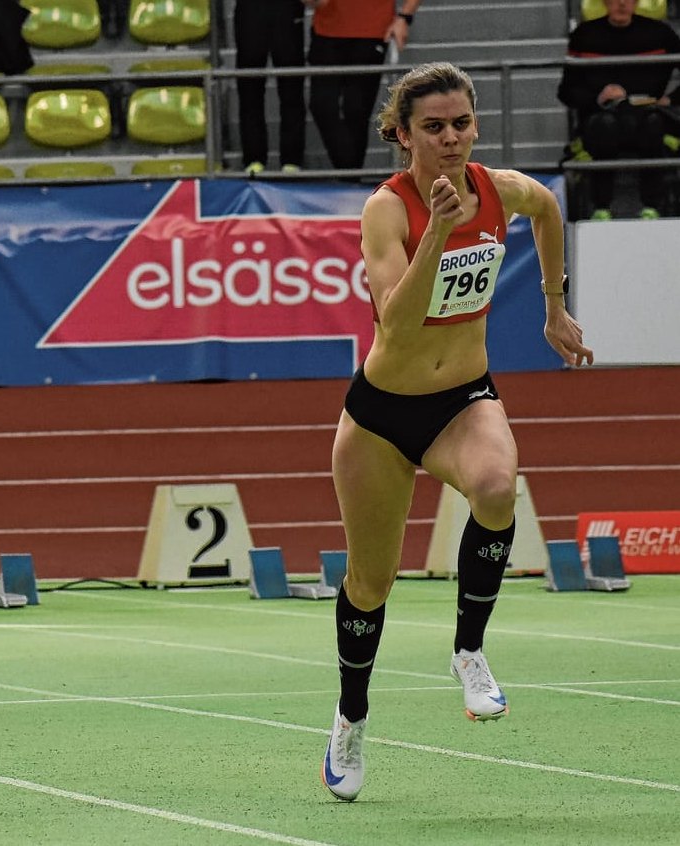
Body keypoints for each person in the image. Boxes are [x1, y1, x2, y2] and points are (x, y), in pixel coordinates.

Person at [322, 62, 593, 802]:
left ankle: (468, 650)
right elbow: (395, 323)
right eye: (433, 127)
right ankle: (350, 717)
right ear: (402, 134)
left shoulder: (498, 189)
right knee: (369, 582)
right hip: (381, 415)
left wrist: (553, 306)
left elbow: (546, 208)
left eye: (461, 124)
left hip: (462, 400)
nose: (450, 138)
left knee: (497, 487)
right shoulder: (386, 210)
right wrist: (437, 232)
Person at [557, 0, 680, 220]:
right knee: (605, 126)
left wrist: (670, 99)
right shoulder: (584, 35)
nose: (622, 3)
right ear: (604, 2)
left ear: (636, 2)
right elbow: (566, 91)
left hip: (646, 114)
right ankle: (601, 208)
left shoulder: (660, 34)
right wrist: (598, 98)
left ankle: (652, 208)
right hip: (600, 116)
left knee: (653, 123)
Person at [308, 0, 422, 170]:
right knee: (322, 105)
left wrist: (404, 17)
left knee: (356, 110)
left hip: (372, 30)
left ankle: (349, 177)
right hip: (327, 28)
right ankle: (350, 175)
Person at [234, 0, 307, 173]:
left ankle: (292, 160)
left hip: (287, 9)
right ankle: (253, 158)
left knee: (292, 87)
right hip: (250, 10)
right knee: (249, 87)